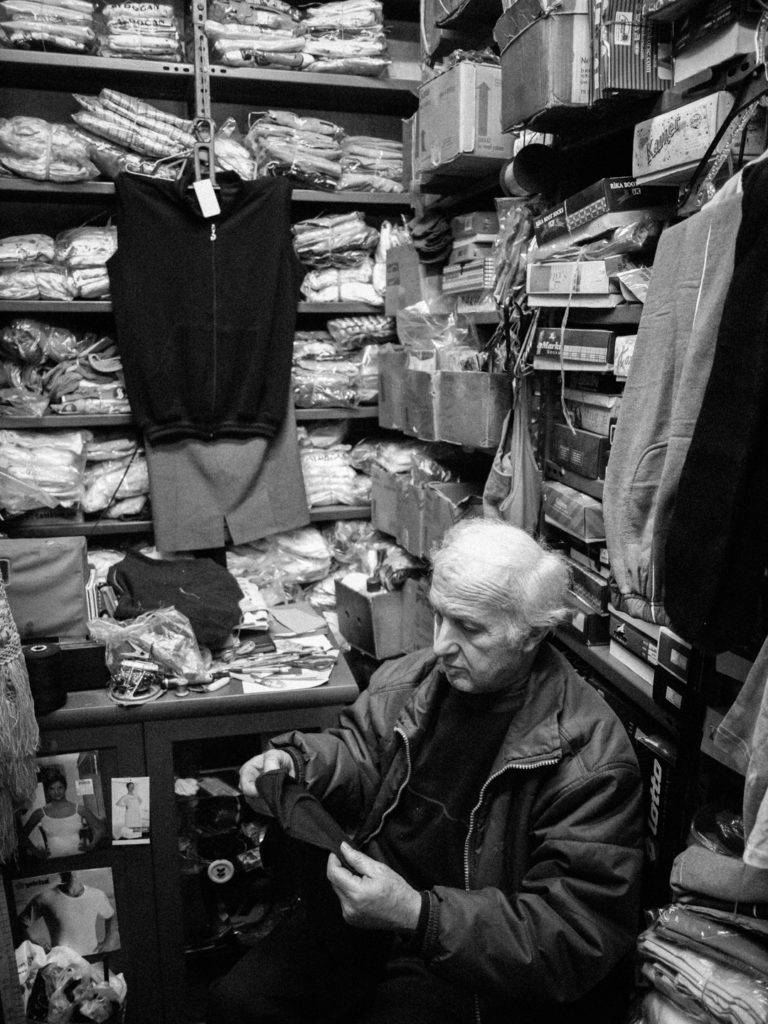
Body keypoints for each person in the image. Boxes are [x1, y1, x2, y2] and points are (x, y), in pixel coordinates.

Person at [207, 520, 644, 1024]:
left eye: (470, 628)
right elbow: (361, 755)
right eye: (438, 616)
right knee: (239, 1004)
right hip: (366, 915)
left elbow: (572, 934)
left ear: (533, 634)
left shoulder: (590, 760)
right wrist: (299, 763)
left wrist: (419, 915)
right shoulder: (413, 680)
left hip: (462, 957)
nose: (440, 645)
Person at [19, 871, 117, 956]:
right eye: (67, 870)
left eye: (74, 869)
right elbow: (18, 925)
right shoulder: (45, 897)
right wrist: (35, 946)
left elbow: (111, 915)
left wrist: (109, 941)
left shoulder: (97, 895)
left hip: (92, 957)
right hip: (61, 963)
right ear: (60, 872)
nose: (71, 873)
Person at [21, 767, 106, 859]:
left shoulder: (80, 809)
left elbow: (101, 828)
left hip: (79, 859)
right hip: (53, 862)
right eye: (52, 789)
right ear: (47, 791)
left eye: (60, 787)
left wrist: (91, 846)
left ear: (65, 788)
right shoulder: (40, 813)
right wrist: (37, 853)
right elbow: (22, 836)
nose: (56, 792)